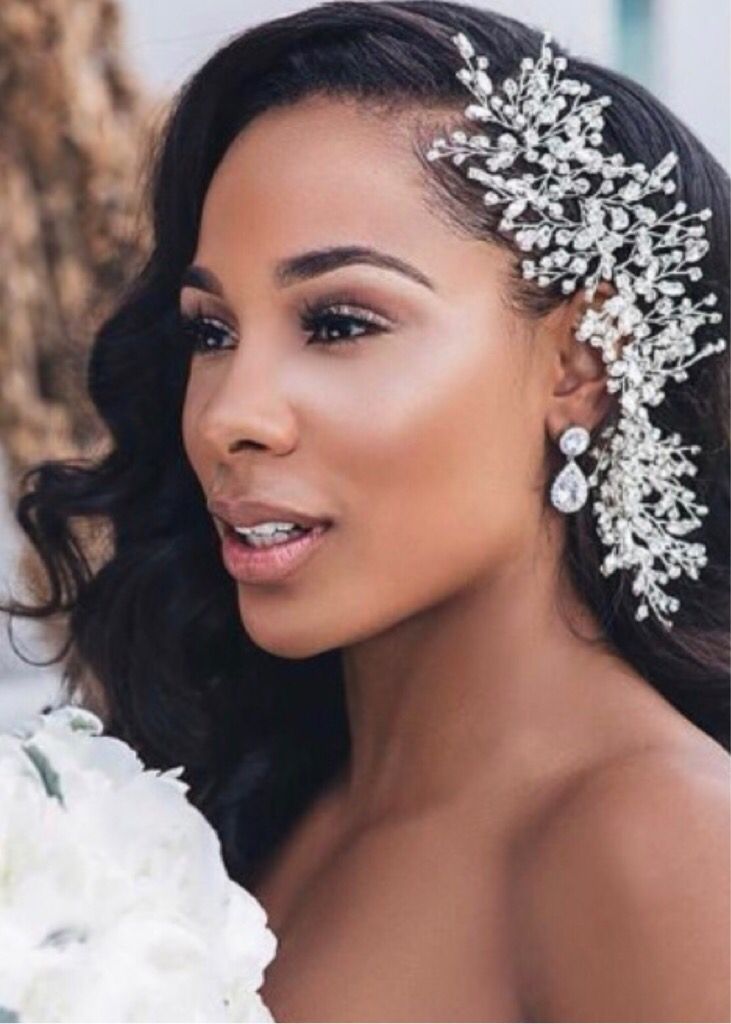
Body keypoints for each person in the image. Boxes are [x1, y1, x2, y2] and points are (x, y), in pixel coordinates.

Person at [2, 2, 729, 1020]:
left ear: (580, 362)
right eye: (211, 331)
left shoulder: (658, 845)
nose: (228, 418)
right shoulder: (246, 799)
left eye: (337, 321)